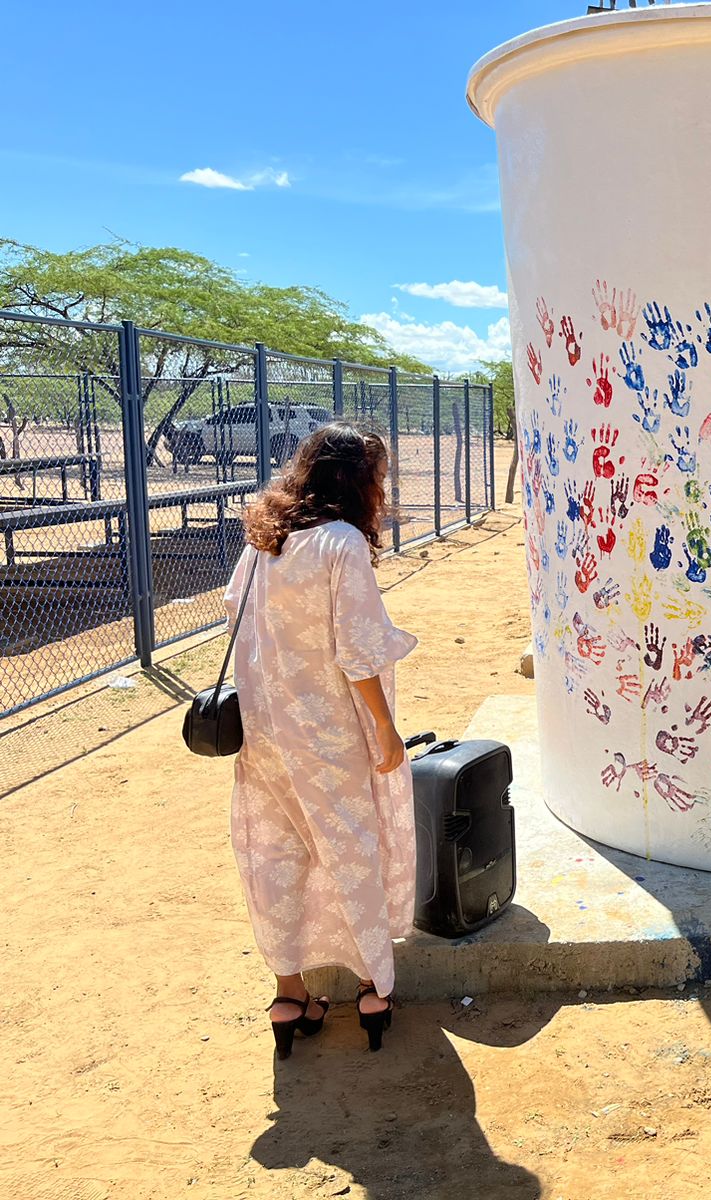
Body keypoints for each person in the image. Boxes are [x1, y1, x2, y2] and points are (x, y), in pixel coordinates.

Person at [229, 424, 419, 1057]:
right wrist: (386, 730)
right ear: (356, 481)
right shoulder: (341, 545)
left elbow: (239, 618)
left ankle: (290, 993)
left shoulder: (265, 539)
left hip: (265, 730)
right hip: (328, 731)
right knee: (351, 848)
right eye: (378, 478)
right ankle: (371, 986)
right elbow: (358, 650)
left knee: (278, 853)